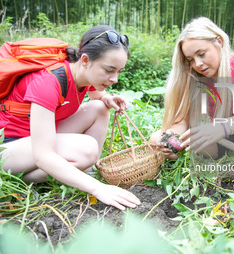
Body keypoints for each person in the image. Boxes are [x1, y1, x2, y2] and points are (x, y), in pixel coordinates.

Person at [0, 25, 141, 211]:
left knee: (100, 108)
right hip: (8, 148)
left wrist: (108, 98)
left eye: (118, 72)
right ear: (85, 60)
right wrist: (98, 189)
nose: (114, 78)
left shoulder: (83, 76)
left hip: (34, 140)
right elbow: (43, 155)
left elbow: (98, 98)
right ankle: (19, 179)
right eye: (109, 70)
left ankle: (84, 171)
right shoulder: (48, 82)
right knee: (86, 149)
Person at [150, 17, 234, 160]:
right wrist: (172, 139)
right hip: (223, 141)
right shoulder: (194, 77)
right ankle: (232, 157)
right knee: (156, 139)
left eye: (201, 54)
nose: (197, 64)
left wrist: (224, 128)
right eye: (191, 59)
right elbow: (183, 122)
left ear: (219, 42)